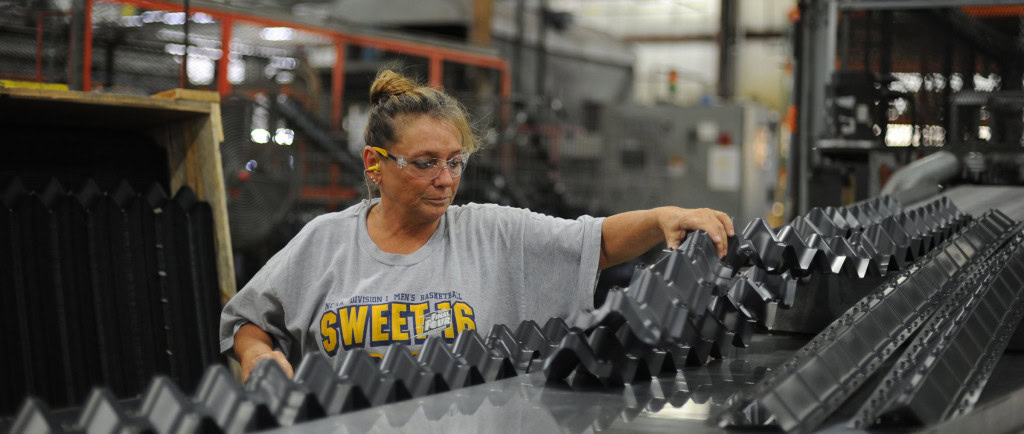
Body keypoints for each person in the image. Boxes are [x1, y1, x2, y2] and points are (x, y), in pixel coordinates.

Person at [220, 70, 735, 382]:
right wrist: (258, 358)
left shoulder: (490, 234)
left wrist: (662, 217)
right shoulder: (325, 242)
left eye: (455, 161)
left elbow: (593, 241)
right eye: (425, 162)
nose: (446, 180)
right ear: (375, 163)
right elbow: (248, 319)